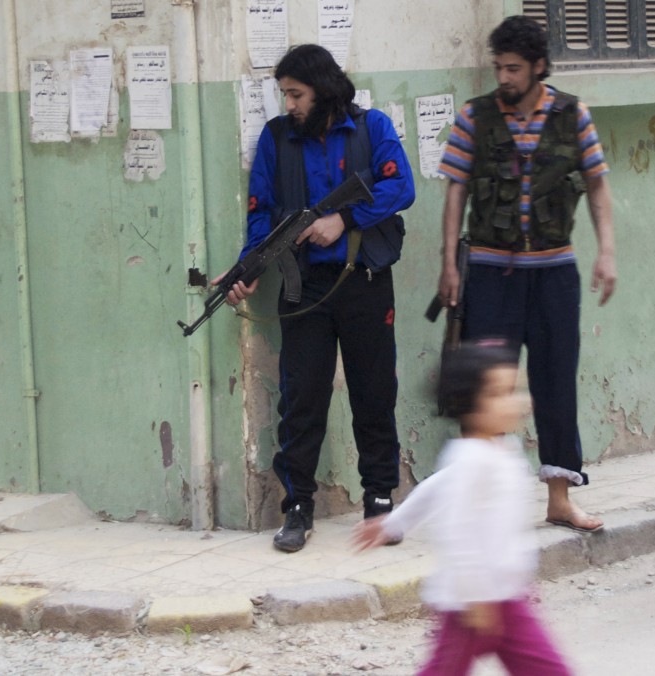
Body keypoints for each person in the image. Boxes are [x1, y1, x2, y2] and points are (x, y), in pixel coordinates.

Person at [221, 44, 416, 553]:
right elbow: (261, 211)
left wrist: (344, 220)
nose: (289, 104)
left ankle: (379, 499)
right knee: (301, 398)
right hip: (302, 286)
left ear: (323, 89)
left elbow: (402, 188)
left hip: (366, 282)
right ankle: (299, 507)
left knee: (374, 392)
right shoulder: (277, 138)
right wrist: (249, 268)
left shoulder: (371, 128)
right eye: (284, 94)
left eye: (296, 94)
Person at [436, 15, 615, 533]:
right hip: (491, 273)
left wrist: (607, 253)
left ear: (539, 67)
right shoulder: (476, 117)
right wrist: (449, 263)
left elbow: (598, 186)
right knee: (486, 384)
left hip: (555, 272)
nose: (505, 77)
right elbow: (455, 192)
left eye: (514, 68)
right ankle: (480, 505)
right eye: (499, 68)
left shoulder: (572, 115)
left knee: (557, 380)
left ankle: (560, 499)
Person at [354, 341, 573, 675]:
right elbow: (457, 532)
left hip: (509, 597)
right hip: (471, 605)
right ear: (470, 406)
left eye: (514, 390)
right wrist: (475, 596)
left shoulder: (502, 448)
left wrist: (392, 523)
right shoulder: (470, 458)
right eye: (500, 393)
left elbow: (434, 486)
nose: (516, 401)